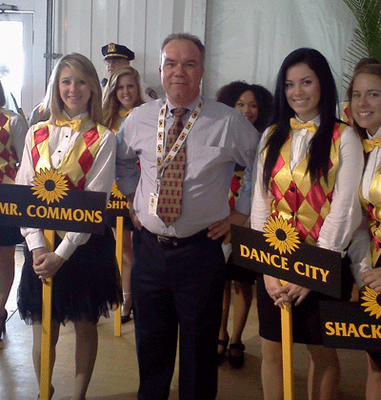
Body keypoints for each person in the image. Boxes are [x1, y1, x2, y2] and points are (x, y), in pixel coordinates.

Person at [116, 33, 260, 400]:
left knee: (199, 353)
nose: (179, 72)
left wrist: (241, 212)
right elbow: (120, 159)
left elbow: (261, 162)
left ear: (201, 71)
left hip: (201, 252)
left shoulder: (227, 121)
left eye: (189, 63)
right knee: (151, 349)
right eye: (171, 63)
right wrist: (133, 195)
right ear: (161, 69)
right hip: (149, 252)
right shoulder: (139, 119)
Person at [251, 48, 365, 400]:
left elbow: (344, 209)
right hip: (275, 261)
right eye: (289, 84)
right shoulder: (271, 134)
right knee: (271, 348)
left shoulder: (343, 136)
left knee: (321, 351)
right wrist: (267, 267)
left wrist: (310, 272)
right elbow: (259, 203)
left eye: (306, 82)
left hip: (322, 262)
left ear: (323, 85)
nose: (297, 92)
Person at [16, 53, 121, 400]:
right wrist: (36, 246)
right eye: (65, 81)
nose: (72, 89)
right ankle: (44, 392)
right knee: (42, 330)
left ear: (93, 86)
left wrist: (61, 254)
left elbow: (96, 201)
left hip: (84, 248)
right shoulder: (36, 132)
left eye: (80, 81)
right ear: (55, 87)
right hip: (40, 250)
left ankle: (78, 395)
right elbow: (24, 194)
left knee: (85, 324)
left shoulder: (104, 138)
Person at [215, 80, 273, 367]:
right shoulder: (221, 133)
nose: (246, 110)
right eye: (240, 104)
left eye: (252, 105)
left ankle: (236, 337)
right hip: (218, 218)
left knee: (242, 283)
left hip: (250, 221)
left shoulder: (267, 139)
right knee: (220, 281)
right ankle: (220, 334)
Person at [348, 62, 381, 400]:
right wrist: (363, 273)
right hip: (372, 271)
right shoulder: (360, 146)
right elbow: (359, 222)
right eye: (357, 94)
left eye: (373, 94)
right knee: (374, 361)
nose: (363, 103)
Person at [102, 66, 144, 323]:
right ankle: (125, 296)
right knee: (121, 247)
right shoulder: (106, 118)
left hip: (138, 193)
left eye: (130, 86)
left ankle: (135, 297)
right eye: (120, 87)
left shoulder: (148, 114)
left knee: (137, 249)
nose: (126, 92)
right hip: (112, 195)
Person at [0, 80, 28, 349]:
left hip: (6, 200)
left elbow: (26, 162)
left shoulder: (13, 121)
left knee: (5, 256)